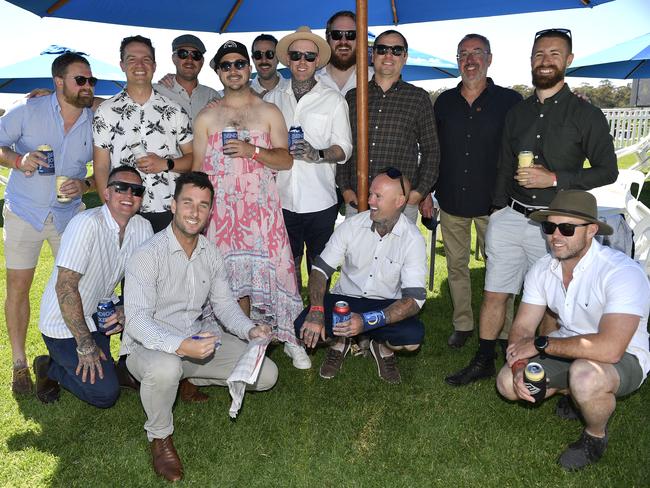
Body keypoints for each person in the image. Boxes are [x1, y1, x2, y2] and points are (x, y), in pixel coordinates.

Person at [445, 28, 618, 386]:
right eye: (539, 54)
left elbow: (608, 170)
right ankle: (483, 359)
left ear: (568, 60)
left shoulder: (586, 114)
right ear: (530, 61)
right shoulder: (518, 111)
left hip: (557, 225)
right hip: (510, 215)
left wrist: (555, 178)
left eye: (554, 54)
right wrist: (496, 210)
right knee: (495, 291)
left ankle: (549, 368)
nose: (545, 61)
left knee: (553, 301)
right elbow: (505, 165)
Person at [122, 172, 278, 482]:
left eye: (203, 205)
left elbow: (223, 305)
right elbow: (137, 322)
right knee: (166, 368)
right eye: (188, 203)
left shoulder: (210, 253)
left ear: (210, 212)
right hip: (147, 348)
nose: (195, 212)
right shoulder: (147, 255)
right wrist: (181, 346)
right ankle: (160, 437)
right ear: (173, 205)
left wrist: (250, 330)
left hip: (193, 345)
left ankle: (184, 380)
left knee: (267, 376)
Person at [496, 190, 650, 471]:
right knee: (507, 383)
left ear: (591, 230)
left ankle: (595, 436)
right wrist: (519, 365)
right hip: (566, 346)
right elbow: (522, 327)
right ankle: (572, 393)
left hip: (623, 356)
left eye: (567, 228)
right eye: (549, 226)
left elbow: (610, 349)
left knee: (585, 376)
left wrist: (542, 345)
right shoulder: (543, 269)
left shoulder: (621, 272)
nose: (555, 235)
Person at [192, 40, 308, 369]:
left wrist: (252, 151)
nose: (233, 70)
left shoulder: (269, 111)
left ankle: (288, 336)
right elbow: (199, 171)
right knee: (227, 279)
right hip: (222, 215)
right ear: (217, 70)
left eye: (239, 63)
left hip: (262, 212)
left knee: (279, 273)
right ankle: (239, 342)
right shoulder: (206, 117)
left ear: (249, 68)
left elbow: (286, 160)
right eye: (226, 64)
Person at [0, 52, 96, 395]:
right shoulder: (28, 111)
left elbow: (101, 175)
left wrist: (84, 184)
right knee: (19, 289)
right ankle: (20, 364)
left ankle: (64, 358)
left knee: (75, 289)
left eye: (91, 80)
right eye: (80, 80)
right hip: (25, 212)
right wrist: (16, 158)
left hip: (68, 217)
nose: (87, 86)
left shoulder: (95, 120)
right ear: (59, 82)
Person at [423, 34, 522, 348]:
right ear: (458, 61)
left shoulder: (510, 102)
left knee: (501, 267)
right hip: (452, 198)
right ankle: (463, 324)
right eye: (463, 54)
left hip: (497, 203)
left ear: (489, 59)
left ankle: (504, 331)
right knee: (456, 266)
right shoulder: (444, 102)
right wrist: (428, 191)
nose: (470, 60)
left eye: (477, 53)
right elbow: (434, 151)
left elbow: (519, 151)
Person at [34, 166, 153, 405]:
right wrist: (85, 344)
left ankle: (123, 365)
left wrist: (126, 310)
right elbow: (65, 287)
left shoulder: (142, 228)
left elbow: (146, 283)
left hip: (99, 313)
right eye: (121, 188)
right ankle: (48, 367)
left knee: (147, 303)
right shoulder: (86, 224)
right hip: (64, 323)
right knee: (104, 394)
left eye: (137, 191)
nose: (129, 195)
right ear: (106, 193)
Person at [295, 170, 426, 384]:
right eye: (370, 194)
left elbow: (414, 300)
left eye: (378, 197)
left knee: (412, 338)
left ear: (399, 201)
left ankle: (381, 346)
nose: (369, 201)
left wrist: (366, 322)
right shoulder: (352, 226)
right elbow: (319, 271)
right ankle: (340, 342)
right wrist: (317, 311)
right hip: (344, 300)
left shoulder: (413, 238)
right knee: (303, 325)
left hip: (384, 305)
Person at [265, 26, 352, 283]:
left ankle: (318, 315)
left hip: (320, 202)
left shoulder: (334, 100)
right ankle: (289, 317)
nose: (302, 61)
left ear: (318, 61)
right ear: (287, 59)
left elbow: (344, 148)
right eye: (296, 55)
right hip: (280, 201)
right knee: (285, 267)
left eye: (309, 56)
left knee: (320, 268)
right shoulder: (271, 99)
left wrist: (318, 154)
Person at [93, 35, 194, 233]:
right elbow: (102, 165)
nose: (140, 65)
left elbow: (194, 159)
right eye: (132, 59)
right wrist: (108, 210)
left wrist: (165, 163)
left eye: (146, 59)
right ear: (122, 65)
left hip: (167, 210)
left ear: (154, 65)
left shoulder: (174, 110)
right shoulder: (105, 112)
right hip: (123, 210)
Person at [338, 29, 440, 223]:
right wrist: (345, 189)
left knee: (398, 255)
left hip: (398, 205)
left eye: (396, 50)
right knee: (356, 254)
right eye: (382, 49)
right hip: (358, 203)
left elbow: (432, 151)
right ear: (373, 54)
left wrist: (418, 193)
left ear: (405, 57)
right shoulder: (353, 97)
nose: (388, 55)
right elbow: (344, 146)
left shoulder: (418, 99)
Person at [153, 34, 220, 123]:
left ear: (202, 61)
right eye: (183, 54)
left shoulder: (212, 96)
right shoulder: (156, 92)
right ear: (174, 59)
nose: (189, 59)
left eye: (196, 55)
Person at [317, 10, 372, 96]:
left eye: (351, 34)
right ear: (327, 38)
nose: (343, 41)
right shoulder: (314, 81)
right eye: (336, 34)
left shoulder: (373, 79)